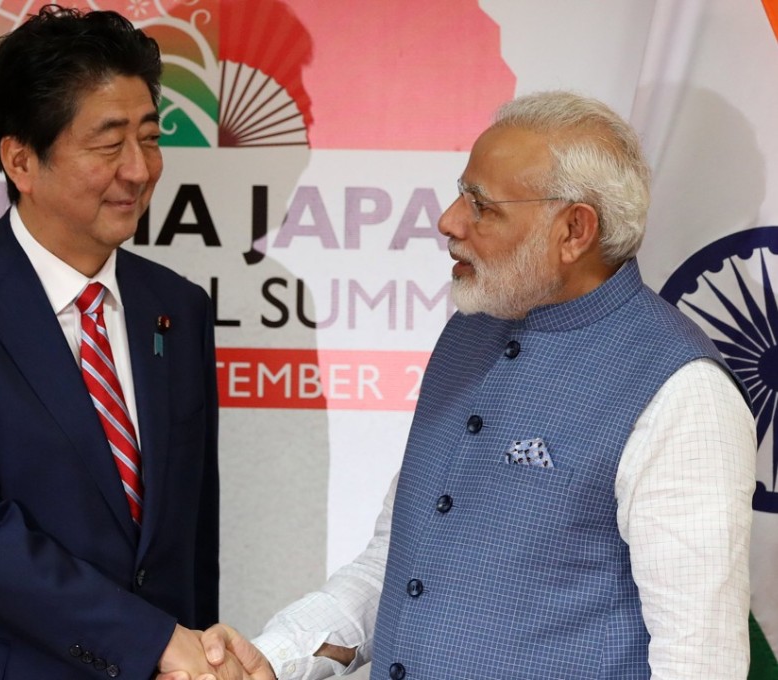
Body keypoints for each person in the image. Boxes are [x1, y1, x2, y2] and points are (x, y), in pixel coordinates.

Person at [182, 91, 758, 679]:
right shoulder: (468, 333)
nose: (449, 220)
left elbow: (700, 660)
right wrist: (275, 658)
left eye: (482, 205)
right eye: (462, 193)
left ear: (574, 230)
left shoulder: (683, 391)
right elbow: (398, 568)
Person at [0, 6, 242, 679]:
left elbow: (190, 541)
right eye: (108, 144)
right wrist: (151, 639)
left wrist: (195, 655)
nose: (139, 170)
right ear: (21, 160)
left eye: (150, 138)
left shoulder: (177, 309)